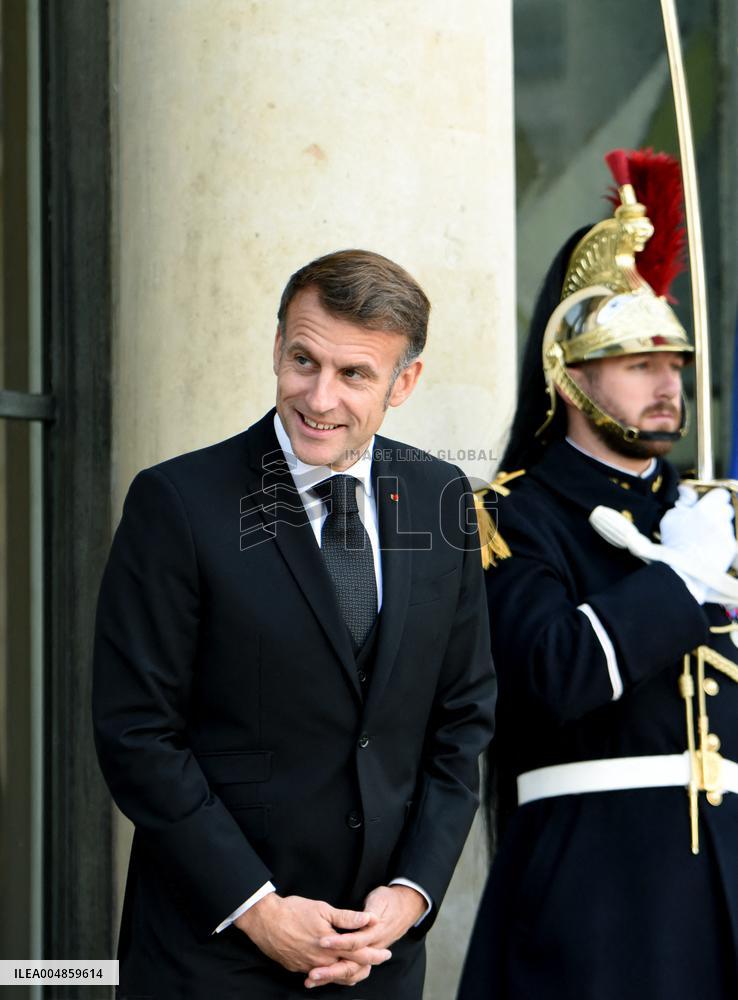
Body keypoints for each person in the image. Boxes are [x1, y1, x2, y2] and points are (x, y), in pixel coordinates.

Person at [93, 248, 496, 999]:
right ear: (277, 346)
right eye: (303, 360)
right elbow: (137, 732)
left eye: (354, 375)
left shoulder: (442, 501)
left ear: (403, 382)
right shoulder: (177, 502)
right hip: (211, 956)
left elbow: (462, 720)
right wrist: (259, 909)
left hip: (376, 960)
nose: (319, 396)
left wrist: (411, 893)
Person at [457, 151, 738, 1000]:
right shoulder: (511, 516)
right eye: (638, 363)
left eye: (675, 363)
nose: (668, 385)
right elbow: (550, 674)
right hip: (596, 893)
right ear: (571, 377)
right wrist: (683, 583)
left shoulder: (704, 517)